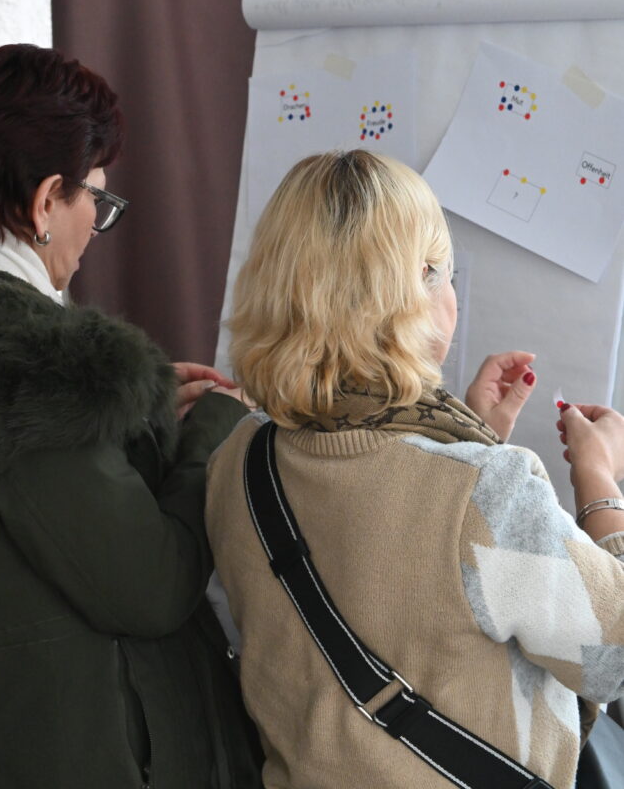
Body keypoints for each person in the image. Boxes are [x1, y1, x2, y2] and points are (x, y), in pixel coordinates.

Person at [206, 149, 624, 789]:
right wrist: (600, 485)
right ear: (416, 288)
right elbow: (613, 659)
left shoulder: (236, 460)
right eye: (444, 272)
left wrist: (476, 439)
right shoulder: (485, 492)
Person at [0, 43, 263, 789]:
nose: (96, 225)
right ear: (44, 200)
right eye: (96, 200)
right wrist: (210, 430)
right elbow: (146, 587)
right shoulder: (19, 352)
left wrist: (136, 405)